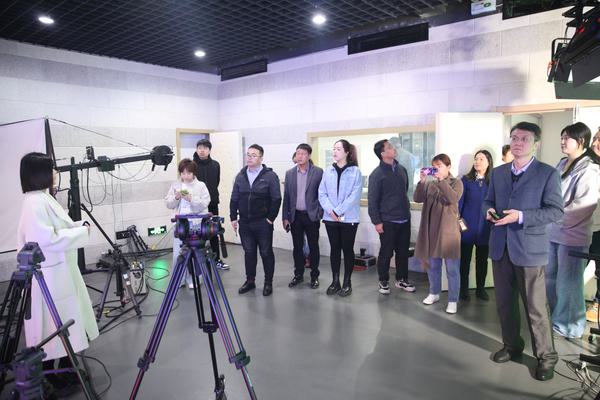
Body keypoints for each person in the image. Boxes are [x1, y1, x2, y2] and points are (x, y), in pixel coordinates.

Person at [484, 121, 563, 381]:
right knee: (504, 303)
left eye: (524, 139)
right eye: (514, 138)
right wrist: (488, 210)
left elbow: (555, 211)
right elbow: (488, 200)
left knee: (536, 307)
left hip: (530, 249)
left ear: (535, 144)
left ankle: (546, 357)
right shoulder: (498, 173)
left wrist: (521, 216)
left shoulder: (547, 174)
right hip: (500, 247)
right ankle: (512, 345)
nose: (518, 143)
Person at [17, 152, 99, 393]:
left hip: (59, 274)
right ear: (39, 174)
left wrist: (78, 227)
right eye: (51, 169)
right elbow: (46, 240)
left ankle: (65, 368)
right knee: (54, 327)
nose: (55, 173)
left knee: (63, 325)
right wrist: (80, 232)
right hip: (50, 278)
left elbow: (58, 228)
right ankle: (53, 376)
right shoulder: (35, 202)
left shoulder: (42, 198)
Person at [546, 122, 599, 339]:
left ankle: (570, 326)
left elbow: (583, 206)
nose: (562, 141)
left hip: (573, 235)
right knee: (550, 278)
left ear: (581, 141)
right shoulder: (561, 163)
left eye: (566, 138)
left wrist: (551, 216)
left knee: (568, 283)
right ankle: (556, 319)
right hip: (553, 232)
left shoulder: (590, 169)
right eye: (561, 137)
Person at [414, 154, 463, 314]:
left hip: (449, 233)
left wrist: (441, 180)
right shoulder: (430, 183)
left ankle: (453, 300)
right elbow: (417, 198)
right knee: (433, 266)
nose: (437, 169)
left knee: (452, 269)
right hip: (431, 231)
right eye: (434, 166)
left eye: (440, 166)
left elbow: (452, 199)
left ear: (448, 167)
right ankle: (434, 292)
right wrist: (422, 181)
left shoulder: (457, 182)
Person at [230, 144, 281, 296]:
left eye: (254, 155)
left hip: (263, 222)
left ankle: (268, 282)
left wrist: (270, 219)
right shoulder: (240, 176)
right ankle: (250, 281)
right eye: (248, 155)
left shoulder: (270, 176)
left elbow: (276, 199)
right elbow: (234, 198)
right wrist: (233, 217)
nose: (250, 158)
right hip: (245, 222)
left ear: (261, 158)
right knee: (249, 252)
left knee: (266, 252)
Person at [368, 139, 415, 295]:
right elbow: (372, 200)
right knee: (386, 253)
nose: (393, 148)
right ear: (382, 154)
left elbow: (404, 190)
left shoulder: (402, 169)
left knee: (403, 252)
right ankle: (383, 280)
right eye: (389, 147)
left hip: (404, 218)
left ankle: (402, 279)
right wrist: (377, 221)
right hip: (387, 221)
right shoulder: (376, 174)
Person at [318, 139, 362, 297]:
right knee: (335, 249)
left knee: (348, 249)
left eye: (338, 149)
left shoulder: (355, 172)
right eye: (334, 149)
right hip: (330, 218)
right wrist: (331, 211)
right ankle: (335, 281)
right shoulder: (328, 171)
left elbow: (354, 196)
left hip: (348, 218)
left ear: (347, 152)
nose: (334, 152)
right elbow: (321, 193)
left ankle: (347, 282)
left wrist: (338, 211)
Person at [283, 144, 323, 289]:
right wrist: (285, 217)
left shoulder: (318, 172)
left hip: (311, 216)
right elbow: (287, 197)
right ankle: (298, 274)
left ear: (309, 155)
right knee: (297, 247)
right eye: (297, 153)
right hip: (296, 216)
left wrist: (319, 213)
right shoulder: (290, 173)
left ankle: (314, 276)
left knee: (313, 247)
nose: (299, 156)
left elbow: (322, 194)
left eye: (303, 153)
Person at [166, 158, 211, 288]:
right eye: (183, 173)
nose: (186, 176)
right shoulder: (175, 185)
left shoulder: (201, 185)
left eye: (189, 173)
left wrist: (191, 198)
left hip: (196, 225)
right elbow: (168, 204)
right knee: (178, 254)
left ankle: (194, 279)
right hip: (180, 225)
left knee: (195, 254)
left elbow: (205, 203)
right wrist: (176, 197)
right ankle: (179, 279)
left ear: (194, 173)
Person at [458, 150, 493, 301]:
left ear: (488, 162)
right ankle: (463, 290)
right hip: (467, 228)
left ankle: (480, 289)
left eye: (481, 159)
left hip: (485, 228)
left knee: (482, 261)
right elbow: (459, 205)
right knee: (464, 261)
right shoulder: (466, 180)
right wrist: (460, 224)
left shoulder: (493, 182)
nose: (477, 161)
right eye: (476, 159)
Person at [193, 139, 228, 270]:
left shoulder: (215, 165)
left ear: (209, 150)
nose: (202, 150)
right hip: (197, 205)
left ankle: (216, 259)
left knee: (214, 232)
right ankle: (199, 261)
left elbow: (216, 182)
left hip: (212, 203)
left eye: (205, 148)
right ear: (196, 149)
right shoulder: (192, 166)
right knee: (198, 232)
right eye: (199, 147)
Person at [586, 126, 600, 322]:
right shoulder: (585, 165)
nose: (595, 143)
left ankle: (597, 303)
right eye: (595, 138)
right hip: (583, 227)